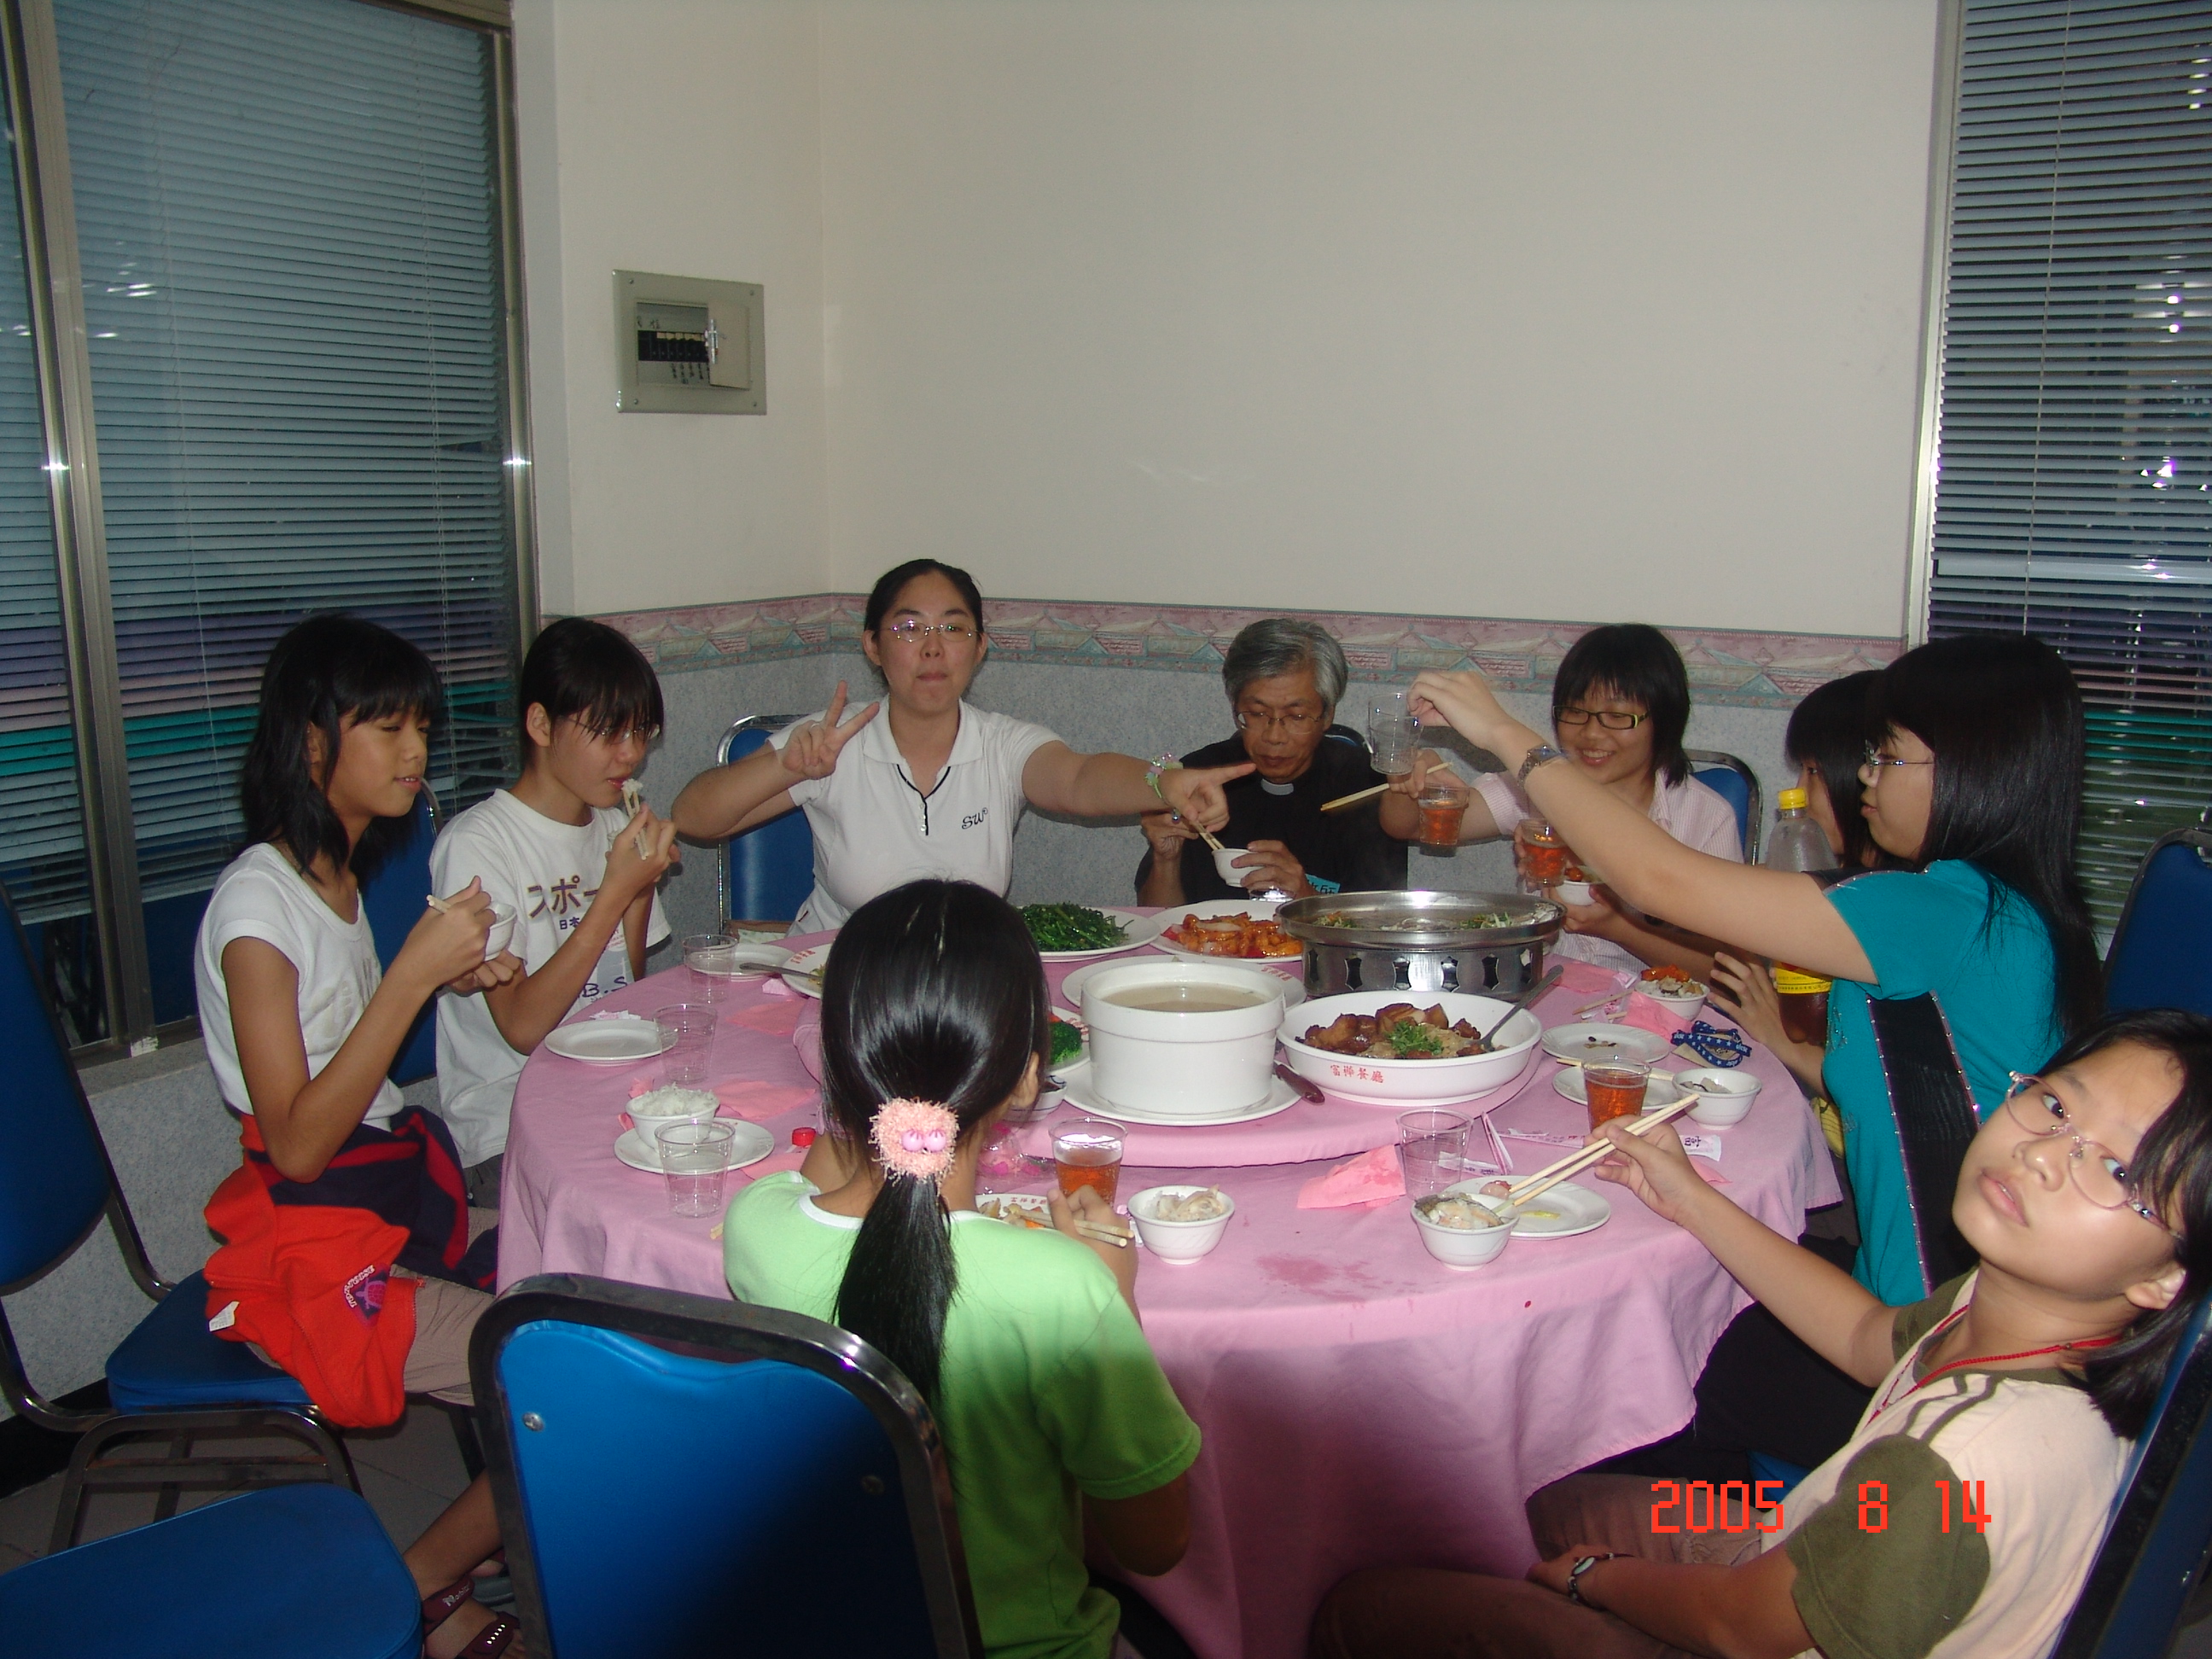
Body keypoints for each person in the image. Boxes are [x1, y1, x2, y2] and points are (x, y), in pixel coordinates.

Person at [1311, 1007, 2212, 1659]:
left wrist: (1594, 1579)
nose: (2043, 1155)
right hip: (1816, 1532)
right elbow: (1869, 1337)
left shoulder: (1957, 1466)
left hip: (1766, 1612)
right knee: (1537, 1506)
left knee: (1366, 1605)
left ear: (2170, 1276)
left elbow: (1739, 1626)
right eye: (2056, 1106)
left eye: (2116, 1171)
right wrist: (1689, 1199)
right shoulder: (2021, 1311)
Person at [1410, 633, 2102, 1476]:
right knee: (1679, 1289)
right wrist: (1787, 1062)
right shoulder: (2010, 910)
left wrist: (1505, 735)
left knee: (1597, 1382)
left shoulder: (1941, 914)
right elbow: (1932, 1088)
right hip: (1905, 1309)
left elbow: (1662, 881)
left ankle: (1686, 1533)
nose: (1866, 778)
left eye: (1889, 757)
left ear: (1974, 768)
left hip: (1931, 1373)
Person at [723, 879, 1200, 1659]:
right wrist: (1115, 1300)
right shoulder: (1061, 1290)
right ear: (1027, 1077)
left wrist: (873, 1105)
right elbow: (1155, 1546)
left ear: (836, 1063)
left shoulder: (756, 1226)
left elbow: (825, 1176)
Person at [194, 614, 525, 1658]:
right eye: (387, 727)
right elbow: (295, 1142)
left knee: (576, 1274)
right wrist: (414, 978)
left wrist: (450, 975)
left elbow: (347, 1048)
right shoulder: (257, 911)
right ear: (311, 742)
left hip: (375, 1193)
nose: (416, 750)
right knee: (558, 1373)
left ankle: (512, 1543)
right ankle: (425, 1584)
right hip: (312, 1239)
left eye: (421, 725)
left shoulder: (332, 878)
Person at [672, 560, 1249, 930]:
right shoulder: (834, 741)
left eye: (952, 628)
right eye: (908, 628)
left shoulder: (1002, 744)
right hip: (834, 977)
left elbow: (1078, 779)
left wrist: (1163, 781)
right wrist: (786, 767)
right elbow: (694, 818)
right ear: (872, 646)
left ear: (979, 648)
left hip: (964, 979)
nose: (932, 648)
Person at [431, 618, 678, 1206]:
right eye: (610, 733)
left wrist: (640, 891)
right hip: (509, 1125)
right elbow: (523, 1028)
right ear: (541, 725)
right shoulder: (479, 844)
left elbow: (618, 997)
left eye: (641, 732)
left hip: (604, 1098)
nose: (631, 754)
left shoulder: (615, 825)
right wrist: (615, 893)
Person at [1394, 624, 1741, 978]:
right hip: (1544, 989)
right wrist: (1409, 775)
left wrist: (1618, 928)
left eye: (1617, 717)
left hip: (1652, 1003)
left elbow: (1726, 970)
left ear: (1664, 721)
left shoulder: (1707, 817)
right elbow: (1409, 826)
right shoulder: (1537, 786)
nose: (1591, 734)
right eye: (1575, 712)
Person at [1709, 668, 1884, 1125]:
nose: (1800, 794)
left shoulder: (1881, 902)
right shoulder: (1841, 874)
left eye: (1814, 772)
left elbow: (1878, 1093)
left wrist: (1778, 1037)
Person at [1136, 618, 1408, 904]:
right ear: (1236, 709)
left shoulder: (1370, 786)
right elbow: (1157, 916)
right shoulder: (1199, 776)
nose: (1274, 736)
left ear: (1327, 715)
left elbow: (1380, 921)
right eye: (1257, 713)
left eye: (1297, 716)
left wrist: (1306, 898)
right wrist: (1166, 859)